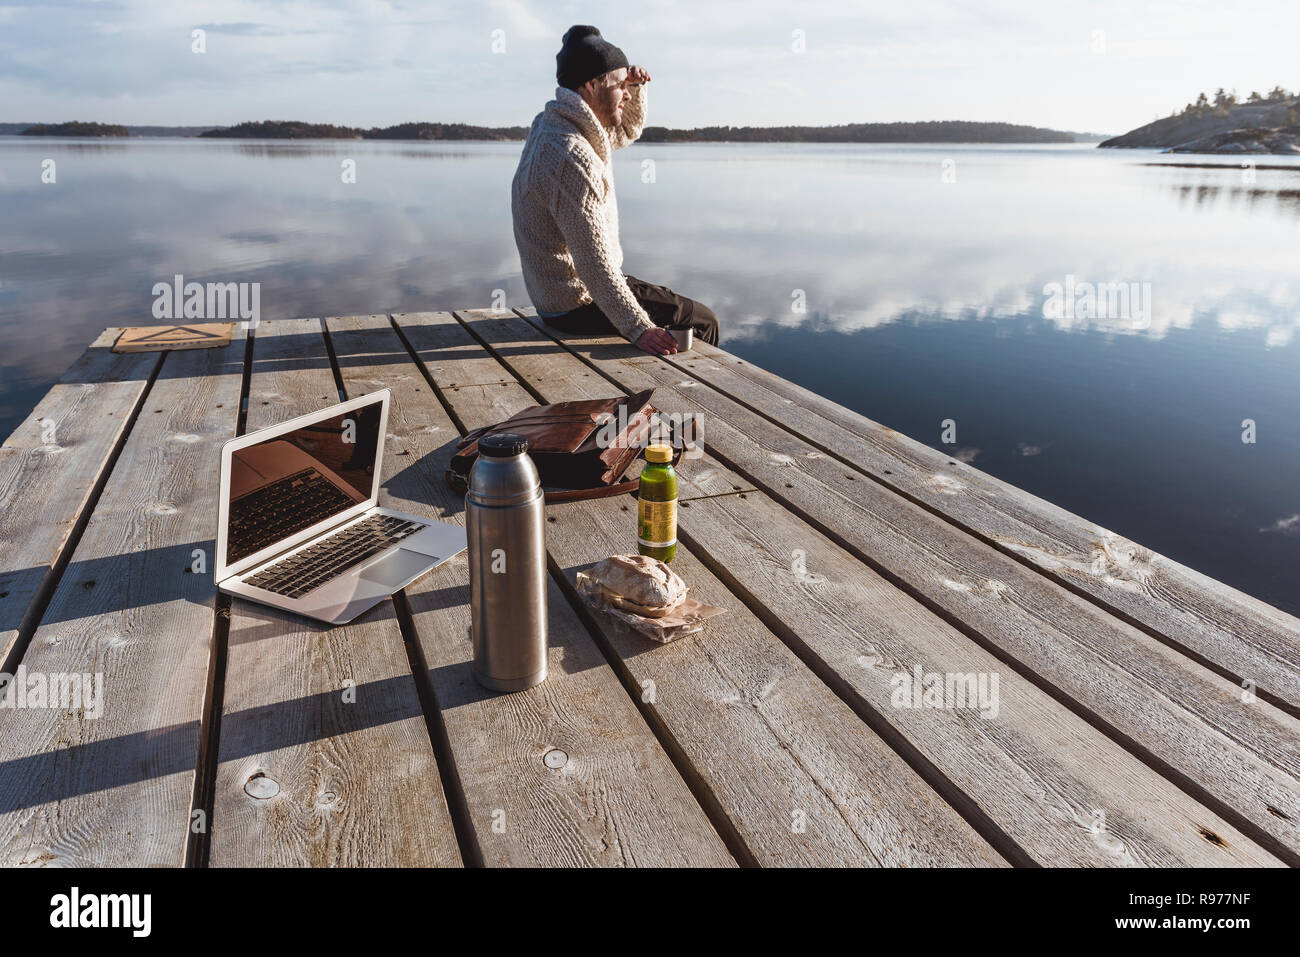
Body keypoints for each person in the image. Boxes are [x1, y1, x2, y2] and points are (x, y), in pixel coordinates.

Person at [511, 25, 720, 356]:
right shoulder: (570, 156)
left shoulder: (554, 127)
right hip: (576, 305)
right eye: (620, 86)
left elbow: (624, 132)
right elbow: (593, 263)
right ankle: (699, 392)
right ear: (591, 85)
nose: (626, 94)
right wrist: (639, 328)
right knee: (702, 320)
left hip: (556, 298)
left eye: (627, 87)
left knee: (673, 304)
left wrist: (635, 88)